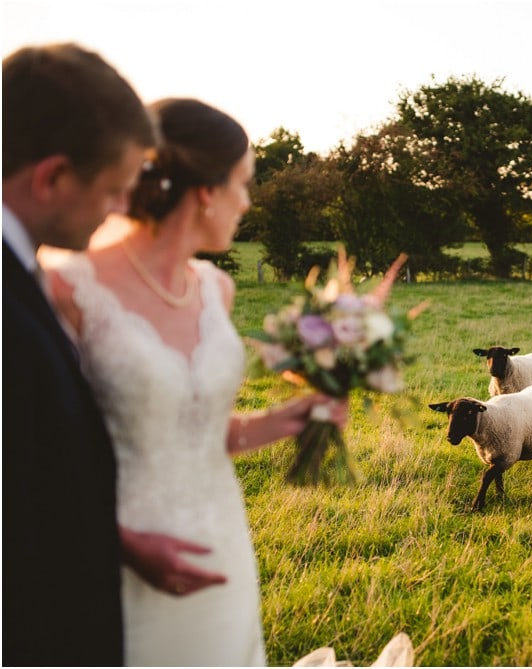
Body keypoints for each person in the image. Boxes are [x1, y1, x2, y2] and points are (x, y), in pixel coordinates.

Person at [44, 97, 343, 665]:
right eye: (244, 183)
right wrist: (123, 544)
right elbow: (35, 453)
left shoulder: (213, 289)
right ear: (206, 191)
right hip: (116, 552)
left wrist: (296, 416)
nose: (247, 202)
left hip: (219, 537)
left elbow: (202, 430)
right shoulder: (69, 288)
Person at [2, 42, 157, 666]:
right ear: (52, 177)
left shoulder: (25, 274)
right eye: (115, 189)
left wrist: (116, 541)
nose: (124, 210)